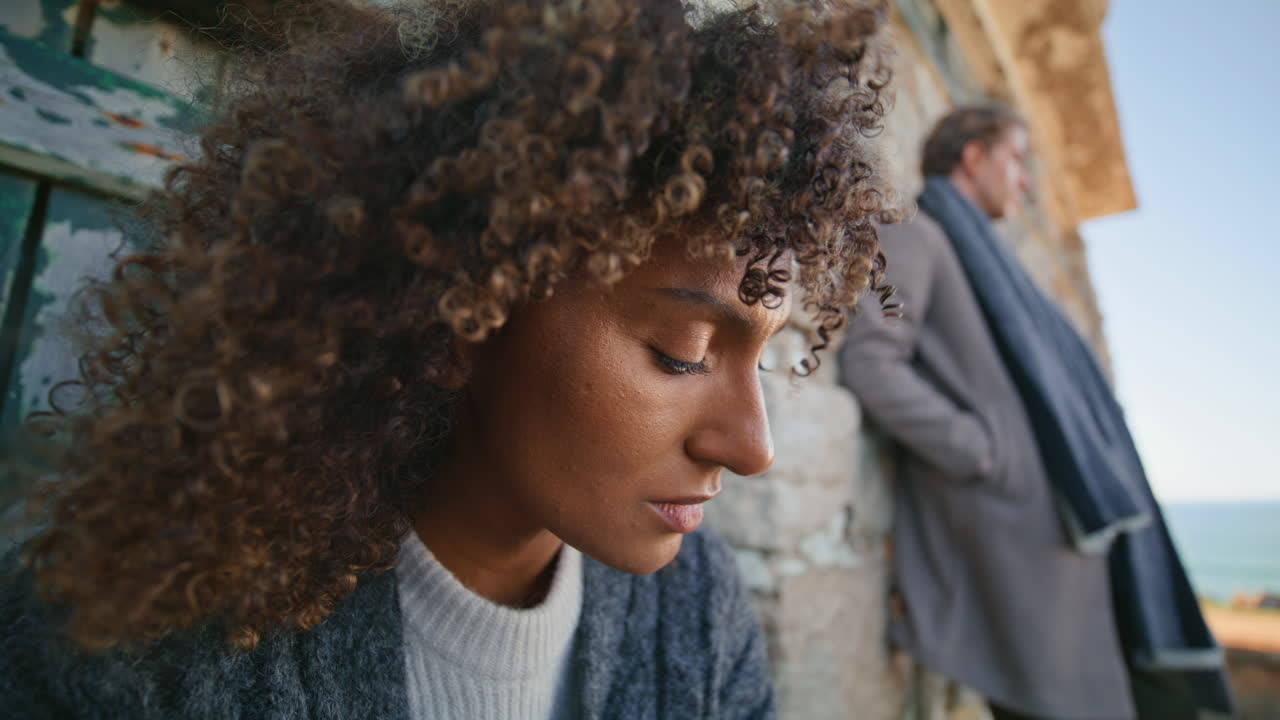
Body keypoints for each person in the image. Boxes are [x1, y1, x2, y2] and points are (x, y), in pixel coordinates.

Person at [0, 1, 899, 718]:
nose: (753, 446)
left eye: (769, 360)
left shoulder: (697, 612)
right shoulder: (133, 641)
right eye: (681, 354)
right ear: (463, 311)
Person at [839, 104, 1233, 720]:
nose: (1024, 182)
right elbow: (870, 362)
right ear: (973, 157)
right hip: (1011, 545)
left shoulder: (991, 264)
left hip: (1058, 540)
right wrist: (984, 450)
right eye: (1016, 160)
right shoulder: (917, 233)